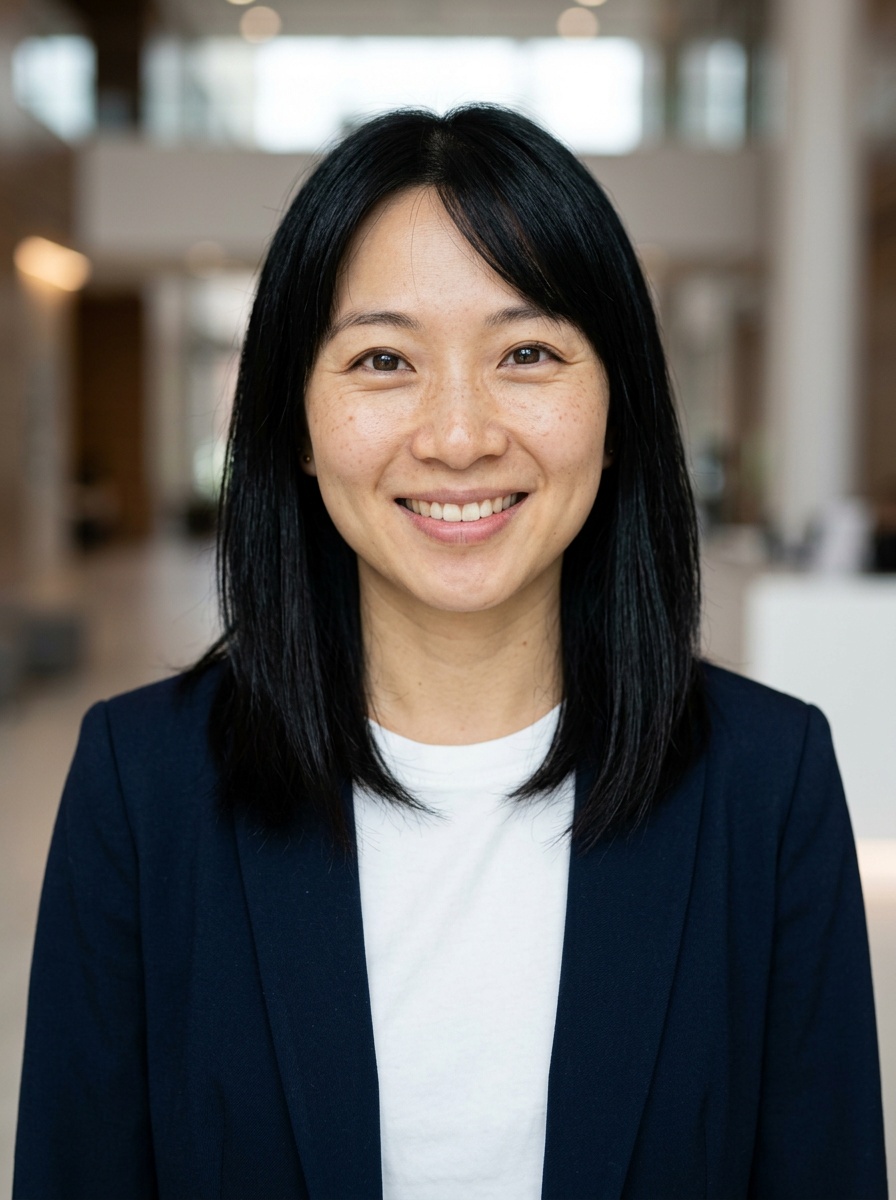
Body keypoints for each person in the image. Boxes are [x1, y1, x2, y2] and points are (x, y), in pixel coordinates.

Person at [13, 105, 887, 1200]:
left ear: (616, 409)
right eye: (383, 359)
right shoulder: (141, 786)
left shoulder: (766, 784)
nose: (459, 435)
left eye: (526, 352)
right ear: (293, 417)